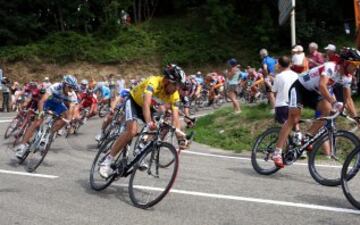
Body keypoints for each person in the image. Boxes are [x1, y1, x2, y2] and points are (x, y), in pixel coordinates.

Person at [272, 50, 358, 168]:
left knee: (326, 111)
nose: (357, 68)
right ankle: (277, 152)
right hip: (300, 88)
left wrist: (356, 117)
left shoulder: (347, 78)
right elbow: (323, 86)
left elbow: (348, 100)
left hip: (313, 93)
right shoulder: (331, 67)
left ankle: (307, 138)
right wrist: (334, 102)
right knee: (293, 118)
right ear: (346, 63)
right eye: (355, 64)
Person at [98, 64, 187, 178]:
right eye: (176, 85)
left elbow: (175, 117)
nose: (177, 89)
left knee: (161, 127)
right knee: (132, 131)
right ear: (167, 81)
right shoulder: (153, 82)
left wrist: (178, 132)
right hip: (134, 102)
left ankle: (141, 150)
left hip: (149, 107)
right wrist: (149, 122)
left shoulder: (174, 94)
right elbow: (146, 104)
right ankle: (107, 160)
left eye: (179, 86)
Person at [15, 75, 79, 159]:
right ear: (64, 84)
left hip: (59, 105)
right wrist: (41, 112)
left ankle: (48, 134)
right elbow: (42, 101)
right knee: (37, 122)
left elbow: (71, 109)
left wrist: (69, 121)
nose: (71, 90)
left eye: (73, 88)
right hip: (48, 102)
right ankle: (22, 145)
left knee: (66, 118)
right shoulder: (56, 86)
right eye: (70, 87)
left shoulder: (72, 94)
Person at [272, 56, 298, 124]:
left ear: (279, 65)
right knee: (294, 126)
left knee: (284, 129)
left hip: (281, 105)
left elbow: (274, 93)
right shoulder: (296, 75)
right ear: (290, 64)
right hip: (295, 105)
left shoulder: (278, 76)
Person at [259, 48, 276, 113]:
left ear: (262, 55)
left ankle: (274, 108)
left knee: (270, 93)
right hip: (275, 76)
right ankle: (277, 106)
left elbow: (265, 69)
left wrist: (266, 77)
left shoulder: (264, 60)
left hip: (269, 77)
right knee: (275, 92)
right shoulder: (273, 59)